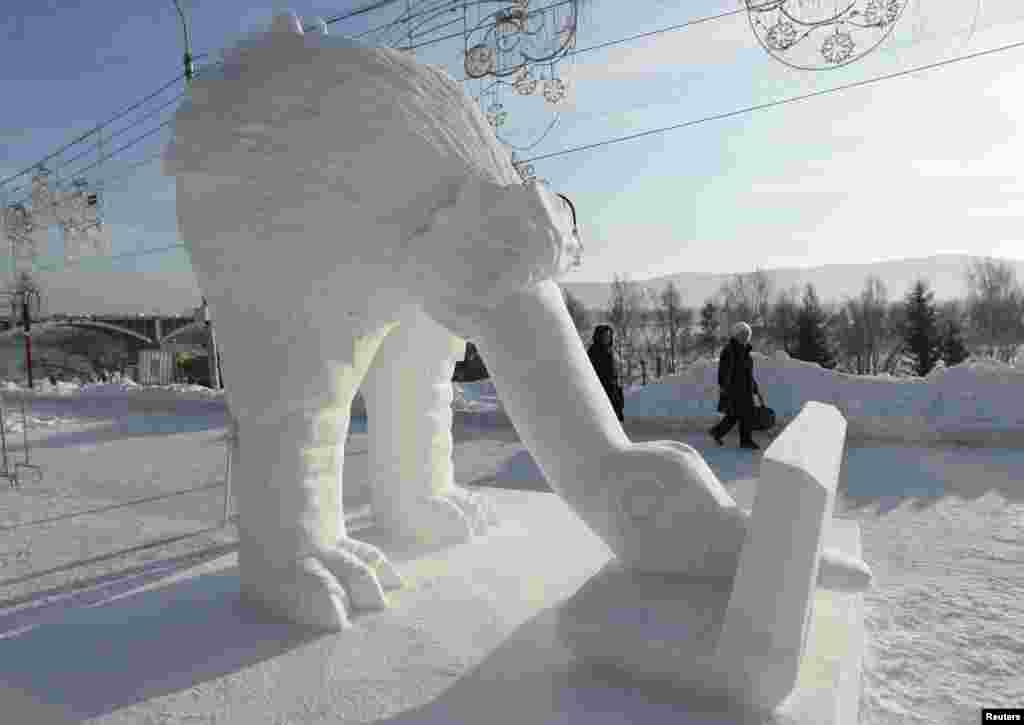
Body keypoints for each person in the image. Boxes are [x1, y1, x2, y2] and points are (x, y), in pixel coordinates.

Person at [710, 321, 761, 450]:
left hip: (746, 388)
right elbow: (723, 370)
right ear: (736, 335)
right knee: (742, 414)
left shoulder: (745, 350)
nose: (745, 337)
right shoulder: (730, 350)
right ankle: (745, 440)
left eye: (747, 335)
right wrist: (724, 387)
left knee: (737, 415)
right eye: (742, 335)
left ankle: (718, 432)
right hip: (735, 389)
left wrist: (754, 386)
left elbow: (747, 371)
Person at [588, 324, 624, 422]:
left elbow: (615, 374)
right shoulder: (593, 352)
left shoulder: (611, 351)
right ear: (598, 337)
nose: (607, 338)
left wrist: (619, 397)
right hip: (601, 393)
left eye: (609, 336)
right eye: (604, 336)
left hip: (613, 392)